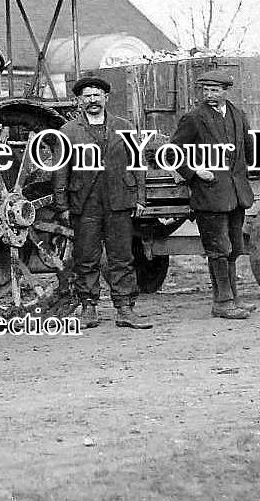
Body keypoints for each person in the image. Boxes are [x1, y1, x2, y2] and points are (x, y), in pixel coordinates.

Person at [53, 76, 152, 330]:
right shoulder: (68, 132)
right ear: (79, 100)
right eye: (87, 96)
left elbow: (137, 164)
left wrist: (140, 197)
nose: (93, 100)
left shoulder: (124, 127)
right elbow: (60, 171)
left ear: (106, 98)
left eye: (97, 95)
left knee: (122, 257)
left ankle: (125, 309)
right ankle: (88, 309)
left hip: (119, 200)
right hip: (85, 203)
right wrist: (62, 205)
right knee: (86, 257)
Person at [169, 69, 257, 319]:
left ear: (225, 91)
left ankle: (233, 299)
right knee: (218, 249)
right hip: (208, 196)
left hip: (236, 195)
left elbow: (248, 152)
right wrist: (195, 171)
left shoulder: (239, 116)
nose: (209, 95)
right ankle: (223, 302)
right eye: (206, 90)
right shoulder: (193, 118)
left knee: (234, 248)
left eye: (215, 90)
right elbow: (173, 153)